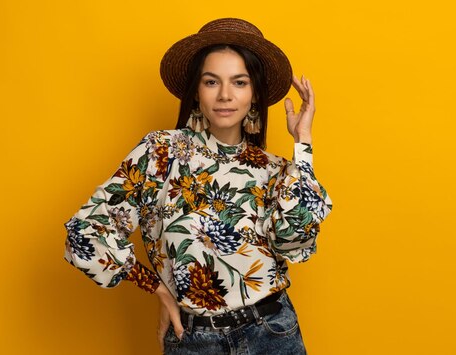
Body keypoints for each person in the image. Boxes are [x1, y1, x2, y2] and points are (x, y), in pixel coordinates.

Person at [64, 18, 333, 354]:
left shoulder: (275, 170)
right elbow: (85, 231)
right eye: (211, 81)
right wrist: (158, 288)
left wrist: (303, 142)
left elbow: (296, 239)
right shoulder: (161, 152)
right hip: (193, 340)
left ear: (255, 94)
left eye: (239, 82)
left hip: (273, 333)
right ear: (196, 90)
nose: (225, 95)